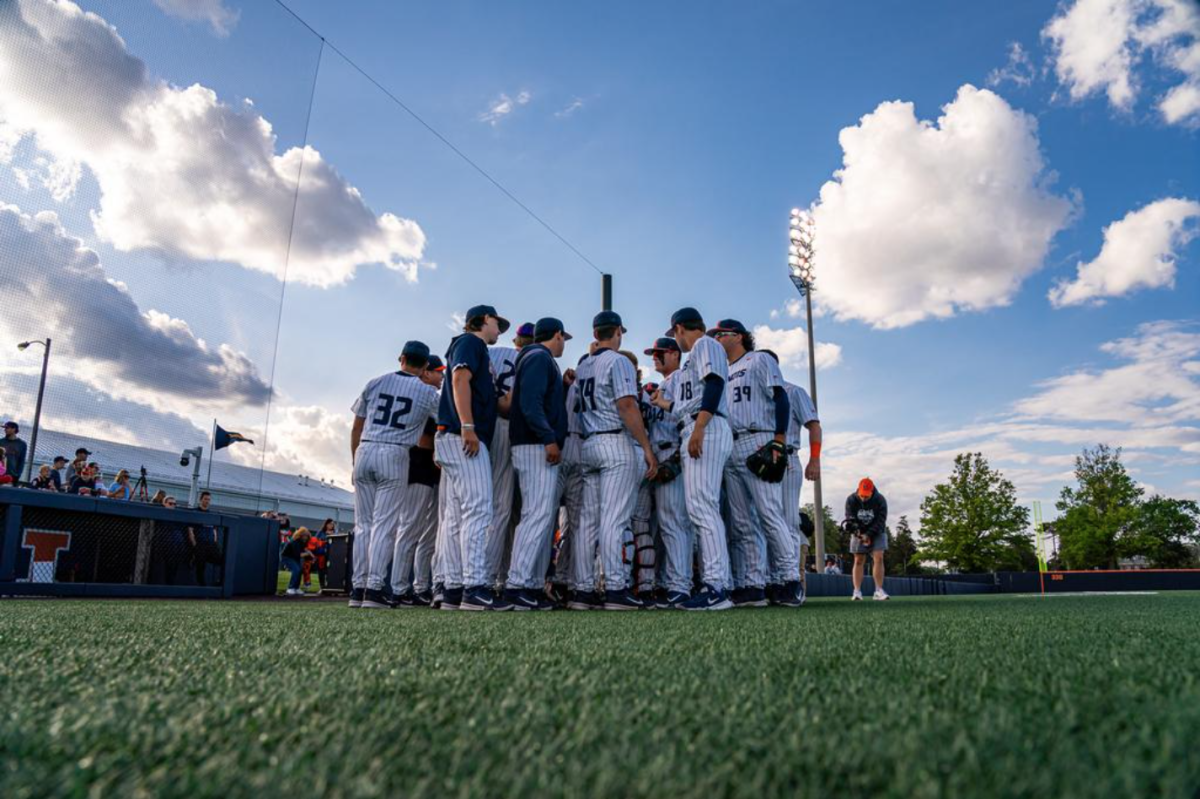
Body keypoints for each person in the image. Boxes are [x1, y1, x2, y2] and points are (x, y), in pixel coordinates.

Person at [710, 321, 801, 608]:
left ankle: (789, 580)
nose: (717, 339)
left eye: (720, 335)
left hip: (758, 438)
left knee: (769, 513)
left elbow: (780, 396)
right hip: (731, 443)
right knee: (740, 521)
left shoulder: (759, 359)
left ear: (737, 336)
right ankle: (753, 584)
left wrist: (778, 439)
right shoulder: (722, 371)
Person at [572, 310, 657, 611]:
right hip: (615, 441)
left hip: (589, 443)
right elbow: (626, 405)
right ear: (618, 331)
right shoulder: (619, 361)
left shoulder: (583, 366)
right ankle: (616, 589)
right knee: (615, 520)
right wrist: (646, 447)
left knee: (588, 522)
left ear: (595, 334)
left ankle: (583, 591)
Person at [652, 307, 734, 610]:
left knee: (703, 507)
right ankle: (716, 584)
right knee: (700, 507)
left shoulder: (704, 344)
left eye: (675, 333)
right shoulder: (691, 360)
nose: (676, 339)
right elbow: (690, 402)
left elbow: (714, 385)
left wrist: (699, 427)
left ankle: (717, 587)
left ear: (680, 328)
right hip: (697, 426)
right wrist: (666, 404)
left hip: (707, 428)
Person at [349, 340, 439, 610]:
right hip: (396, 452)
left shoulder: (375, 382)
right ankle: (374, 588)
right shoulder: (426, 392)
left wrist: (355, 460)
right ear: (424, 366)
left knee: (363, 525)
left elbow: (356, 426)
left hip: (364, 449)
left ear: (401, 358)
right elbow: (447, 419)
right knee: (384, 526)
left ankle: (358, 588)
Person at [435, 304, 512, 611]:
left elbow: (497, 403)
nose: (499, 329)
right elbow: (459, 380)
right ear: (482, 321)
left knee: (457, 516)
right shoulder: (470, 341)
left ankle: (454, 589)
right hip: (463, 435)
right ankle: (474, 587)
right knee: (479, 510)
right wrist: (468, 426)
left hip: (456, 436)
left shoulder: (477, 349)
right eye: (497, 323)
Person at [503, 317, 571, 610]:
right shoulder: (538, 356)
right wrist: (548, 438)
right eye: (563, 338)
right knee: (536, 515)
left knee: (539, 516)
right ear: (556, 335)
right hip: (534, 445)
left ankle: (527, 585)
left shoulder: (537, 358)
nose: (564, 343)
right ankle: (518, 585)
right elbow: (530, 403)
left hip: (532, 443)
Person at [762, 349, 823, 603]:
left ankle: (790, 582)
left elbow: (814, 425)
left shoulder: (792, 391)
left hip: (787, 457)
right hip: (759, 460)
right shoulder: (753, 392)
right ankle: (768, 581)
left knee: (787, 521)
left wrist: (815, 458)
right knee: (760, 522)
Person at [643, 337, 694, 607]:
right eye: (653, 353)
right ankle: (667, 582)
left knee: (675, 523)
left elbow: (686, 419)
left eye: (659, 352)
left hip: (673, 451)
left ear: (675, 354)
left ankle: (680, 586)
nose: (654, 357)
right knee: (664, 525)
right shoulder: (662, 385)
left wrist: (675, 459)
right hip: (656, 456)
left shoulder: (682, 379)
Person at [481, 322, 527, 592]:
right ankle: (491, 578)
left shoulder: (494, 354)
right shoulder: (533, 358)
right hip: (509, 427)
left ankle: (493, 576)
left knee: (496, 508)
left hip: (485, 425)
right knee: (504, 509)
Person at [847, 478, 889, 601]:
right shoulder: (851, 499)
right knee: (858, 559)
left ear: (872, 492)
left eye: (867, 496)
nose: (864, 498)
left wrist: (869, 534)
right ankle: (857, 591)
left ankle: (878, 590)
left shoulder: (880, 500)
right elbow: (850, 517)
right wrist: (857, 531)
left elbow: (881, 521)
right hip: (859, 532)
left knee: (879, 557)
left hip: (877, 532)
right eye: (862, 495)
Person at [189, 490, 223, 586]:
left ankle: (220, 582)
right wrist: (194, 544)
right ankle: (202, 587)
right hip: (200, 544)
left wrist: (214, 542)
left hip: (211, 544)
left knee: (221, 561)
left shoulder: (211, 514)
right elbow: (190, 530)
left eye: (209, 499)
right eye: (205, 499)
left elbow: (214, 530)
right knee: (201, 566)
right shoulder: (195, 512)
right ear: (200, 500)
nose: (207, 501)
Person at [280, 527, 312, 596]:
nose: (305, 537)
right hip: (287, 557)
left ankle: (296, 588)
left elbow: (303, 550)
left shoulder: (303, 542)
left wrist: (310, 553)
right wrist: (308, 553)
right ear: (300, 535)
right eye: (304, 535)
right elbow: (299, 555)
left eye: (307, 535)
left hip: (294, 558)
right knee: (296, 570)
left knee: (299, 570)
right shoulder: (295, 541)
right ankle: (290, 588)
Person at [305, 519, 334, 592]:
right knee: (321, 571)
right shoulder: (320, 532)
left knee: (330, 572)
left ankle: (330, 587)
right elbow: (313, 542)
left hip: (331, 555)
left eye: (333, 524)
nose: (331, 525)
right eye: (330, 523)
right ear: (326, 524)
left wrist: (331, 535)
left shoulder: (335, 533)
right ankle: (322, 587)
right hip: (321, 556)